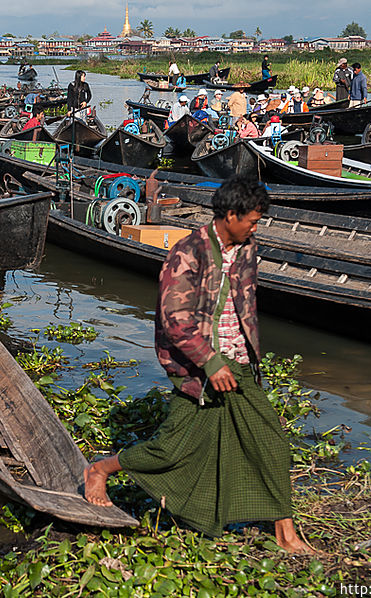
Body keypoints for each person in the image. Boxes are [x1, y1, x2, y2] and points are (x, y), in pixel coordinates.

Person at [83, 178, 312, 554]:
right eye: (252, 220)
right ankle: (101, 469)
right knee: (173, 450)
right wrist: (211, 363)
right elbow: (175, 319)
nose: (255, 228)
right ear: (231, 215)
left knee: (270, 444)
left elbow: (244, 306)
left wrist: (242, 358)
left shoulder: (247, 248)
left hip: (238, 363)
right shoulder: (188, 252)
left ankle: (286, 535)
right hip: (199, 369)